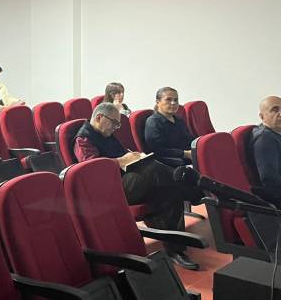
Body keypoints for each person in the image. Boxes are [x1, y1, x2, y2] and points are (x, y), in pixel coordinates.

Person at [74, 102, 201, 270]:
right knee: (153, 169)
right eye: (114, 123)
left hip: (127, 180)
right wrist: (121, 160)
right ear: (99, 117)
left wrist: (134, 157)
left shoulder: (105, 133)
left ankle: (176, 250)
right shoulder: (83, 139)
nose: (116, 127)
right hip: (110, 190)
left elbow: (122, 155)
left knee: (169, 192)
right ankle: (194, 189)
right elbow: (92, 169)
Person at [144, 87, 194, 168]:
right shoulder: (153, 122)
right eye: (168, 99)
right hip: (173, 163)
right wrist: (185, 154)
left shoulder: (179, 120)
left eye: (176, 100)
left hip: (189, 157)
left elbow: (189, 140)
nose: (173, 103)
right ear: (158, 102)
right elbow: (157, 150)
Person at [251, 96, 281, 199]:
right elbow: (270, 181)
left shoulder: (275, 134)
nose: (280, 114)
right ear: (262, 116)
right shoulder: (265, 138)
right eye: (275, 110)